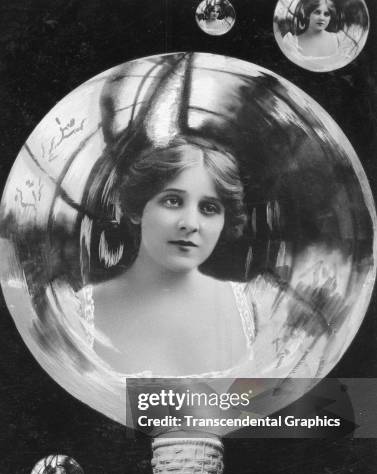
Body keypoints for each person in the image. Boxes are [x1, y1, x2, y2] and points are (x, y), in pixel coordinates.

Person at [76, 135, 328, 380]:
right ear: (137, 209)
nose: (190, 224)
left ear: (223, 221)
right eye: (172, 201)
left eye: (209, 208)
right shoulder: (76, 316)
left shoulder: (264, 312)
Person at [281, 0, 355, 70]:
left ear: (330, 18)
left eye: (326, 14)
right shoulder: (291, 43)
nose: (321, 18)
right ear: (307, 15)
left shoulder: (339, 40)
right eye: (317, 12)